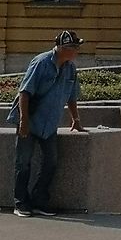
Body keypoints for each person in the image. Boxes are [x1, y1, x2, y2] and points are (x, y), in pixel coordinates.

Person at [7, 29, 87, 218]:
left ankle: (39, 200)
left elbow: (72, 96)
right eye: (75, 47)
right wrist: (23, 121)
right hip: (30, 120)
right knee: (23, 163)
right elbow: (24, 93)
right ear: (64, 48)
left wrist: (76, 119)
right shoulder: (41, 63)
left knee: (51, 162)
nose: (77, 51)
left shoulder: (70, 68)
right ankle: (21, 203)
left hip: (49, 124)